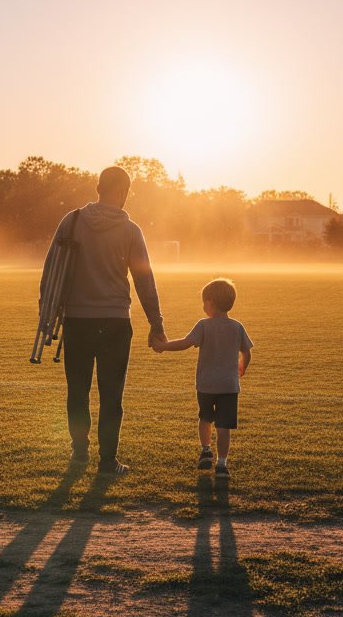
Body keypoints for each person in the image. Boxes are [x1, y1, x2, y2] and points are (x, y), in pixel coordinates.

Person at [39, 165, 166, 475]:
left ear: (98, 188)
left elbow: (51, 269)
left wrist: (46, 312)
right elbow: (144, 280)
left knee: (77, 391)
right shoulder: (130, 230)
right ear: (123, 192)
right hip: (115, 322)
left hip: (77, 320)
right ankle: (108, 461)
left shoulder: (72, 221)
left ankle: (79, 453)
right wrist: (156, 322)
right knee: (111, 395)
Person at [151, 277, 253, 478]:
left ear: (210, 302)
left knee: (205, 417)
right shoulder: (237, 327)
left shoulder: (204, 325)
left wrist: (163, 346)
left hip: (206, 384)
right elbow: (247, 352)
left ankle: (206, 450)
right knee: (224, 426)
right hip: (229, 386)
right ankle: (222, 464)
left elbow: (185, 343)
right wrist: (242, 367)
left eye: (203, 302)